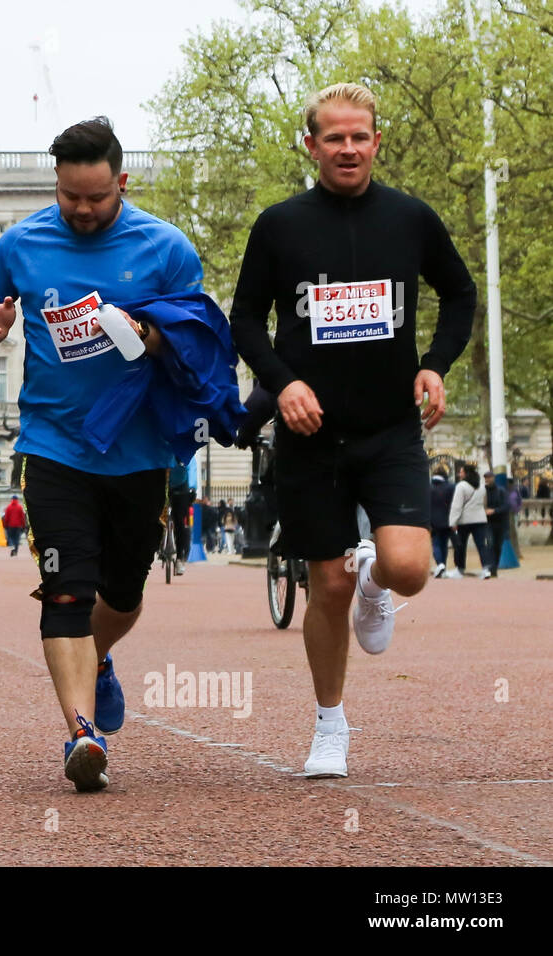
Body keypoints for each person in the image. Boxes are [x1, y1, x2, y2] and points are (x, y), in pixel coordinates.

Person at [229, 83, 475, 778]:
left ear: (375, 142)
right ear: (310, 145)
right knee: (324, 585)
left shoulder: (410, 218)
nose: (347, 148)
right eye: (333, 137)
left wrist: (434, 364)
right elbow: (244, 318)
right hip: (311, 435)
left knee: (407, 569)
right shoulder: (279, 225)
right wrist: (285, 384)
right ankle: (330, 725)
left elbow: (459, 293)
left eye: (358, 136)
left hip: (392, 427)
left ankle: (377, 584)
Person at [0, 116, 208, 792]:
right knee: (67, 587)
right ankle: (81, 733)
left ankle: (97, 659)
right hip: (53, 443)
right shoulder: (23, 242)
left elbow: (199, 339)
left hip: (136, 448)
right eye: (70, 196)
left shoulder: (165, 248)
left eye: (96, 198)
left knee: (123, 595)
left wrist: (152, 338)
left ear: (121, 183)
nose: (81, 209)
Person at [449, 465, 492, 578]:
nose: (459, 473)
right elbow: (483, 503)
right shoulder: (481, 486)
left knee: (460, 546)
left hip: (465, 520)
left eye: (461, 471)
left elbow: (456, 505)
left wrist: (453, 521)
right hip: (480, 519)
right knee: (482, 545)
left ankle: (460, 568)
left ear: (466, 473)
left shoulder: (461, 486)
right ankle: (486, 568)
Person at [428, 465, 455, 578]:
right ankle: (443, 566)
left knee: (436, 544)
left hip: (432, 520)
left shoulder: (427, 487)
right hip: (447, 520)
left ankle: (440, 564)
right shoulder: (451, 487)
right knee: (444, 544)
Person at [483, 471, 509, 578]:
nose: (487, 480)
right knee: (490, 544)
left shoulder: (501, 491)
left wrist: (494, 511)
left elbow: (506, 507)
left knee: (497, 546)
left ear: (493, 478)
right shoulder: (483, 491)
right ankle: (490, 567)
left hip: (500, 523)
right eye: (486, 478)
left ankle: (494, 568)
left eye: (489, 477)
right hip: (488, 523)